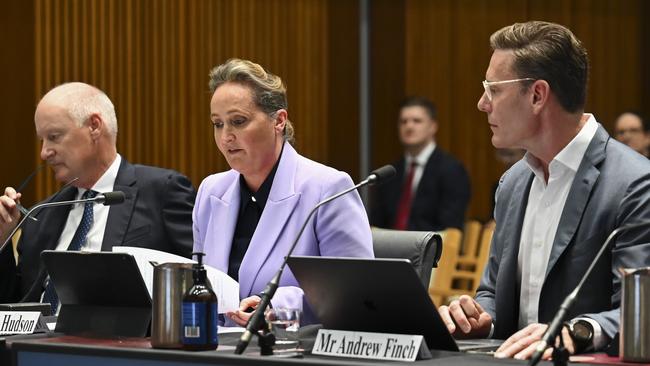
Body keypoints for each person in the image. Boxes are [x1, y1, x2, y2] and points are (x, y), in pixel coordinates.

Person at [438, 21, 650, 360]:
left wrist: (574, 331)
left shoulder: (635, 185)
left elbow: (641, 314)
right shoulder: (513, 183)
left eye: (493, 89)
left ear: (537, 95)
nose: (482, 103)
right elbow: (492, 291)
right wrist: (479, 317)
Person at [193, 58, 374, 326]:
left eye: (238, 121)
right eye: (218, 124)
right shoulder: (211, 191)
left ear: (278, 121)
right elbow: (200, 283)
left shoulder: (328, 188)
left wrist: (278, 306)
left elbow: (356, 292)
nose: (225, 137)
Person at [0, 82, 196, 311]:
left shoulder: (162, 192)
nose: (44, 152)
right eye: (42, 140)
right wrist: (2, 241)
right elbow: (12, 305)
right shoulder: (41, 214)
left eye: (54, 136)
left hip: (123, 342)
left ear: (94, 126)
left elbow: (199, 280)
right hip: (35, 343)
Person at [370, 96, 471, 231]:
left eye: (417, 121)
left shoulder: (452, 170)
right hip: (388, 248)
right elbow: (376, 222)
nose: (409, 126)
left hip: (432, 248)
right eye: (403, 121)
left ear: (433, 126)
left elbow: (450, 226)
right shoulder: (391, 172)